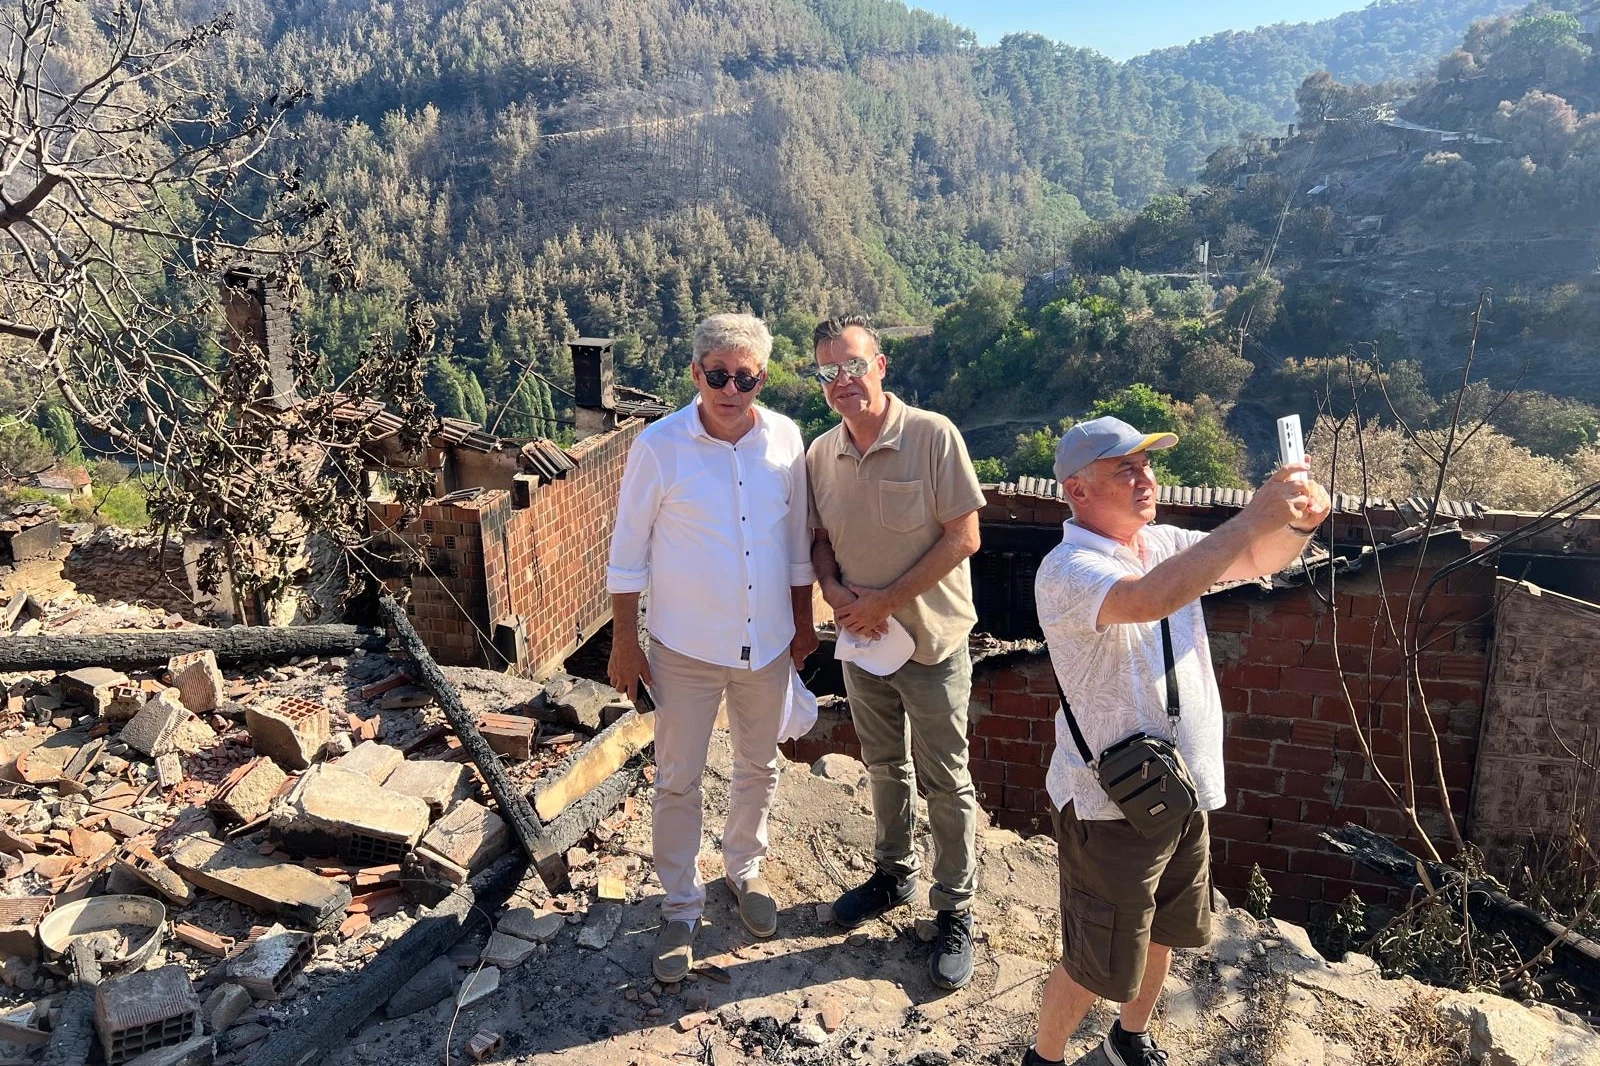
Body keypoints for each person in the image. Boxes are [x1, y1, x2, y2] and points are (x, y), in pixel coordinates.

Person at [1019, 416, 1331, 1066]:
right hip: (1113, 805)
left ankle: (1127, 1039)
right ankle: (1043, 1059)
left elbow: (1254, 559)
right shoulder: (1065, 569)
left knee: (1164, 929)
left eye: (1147, 465)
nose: (1146, 480)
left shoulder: (1161, 541)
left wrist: (1297, 526)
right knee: (1094, 960)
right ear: (1077, 490)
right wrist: (1251, 518)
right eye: (1125, 470)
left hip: (1181, 785)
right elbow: (1149, 599)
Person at [606, 313, 818, 983]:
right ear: (697, 374)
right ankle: (679, 905)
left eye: (744, 378)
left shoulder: (785, 439)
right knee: (679, 777)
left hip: (768, 643)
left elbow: (796, 544)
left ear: (762, 378)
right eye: (718, 376)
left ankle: (745, 869)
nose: (731, 390)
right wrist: (624, 641)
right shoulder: (659, 447)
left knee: (759, 763)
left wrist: (804, 623)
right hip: (686, 649)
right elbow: (627, 553)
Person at [806, 315, 986, 990]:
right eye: (828, 371)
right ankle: (892, 874)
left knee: (946, 779)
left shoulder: (933, 435)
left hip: (931, 643)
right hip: (862, 645)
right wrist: (833, 592)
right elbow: (819, 541)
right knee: (883, 765)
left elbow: (964, 537)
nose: (842, 381)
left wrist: (886, 600)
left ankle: (956, 907)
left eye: (853, 365)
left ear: (880, 366)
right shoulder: (821, 454)